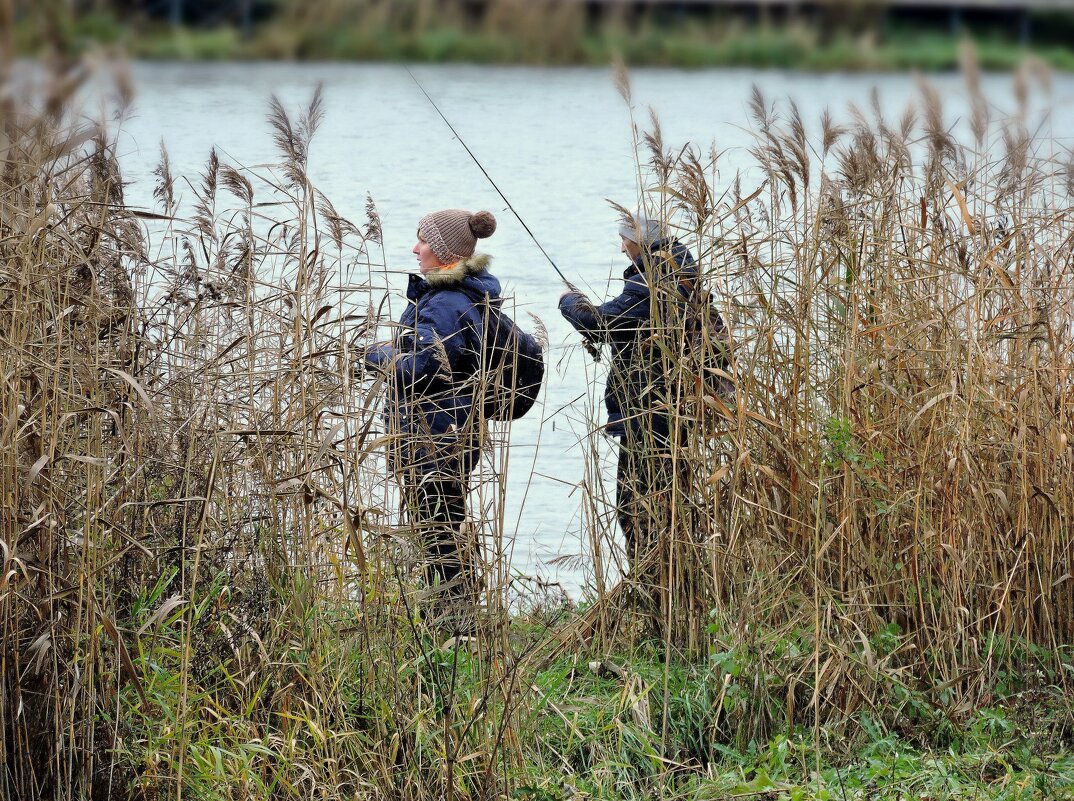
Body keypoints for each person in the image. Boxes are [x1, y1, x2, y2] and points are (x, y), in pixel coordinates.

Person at [365, 207, 508, 631]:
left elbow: (427, 367)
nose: (415, 248)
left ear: (445, 252)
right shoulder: (455, 295)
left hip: (436, 434)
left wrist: (375, 355)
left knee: (438, 529)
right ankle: (451, 616)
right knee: (442, 525)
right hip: (449, 430)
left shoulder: (445, 301)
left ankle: (451, 622)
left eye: (423, 240)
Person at [558, 209, 702, 583]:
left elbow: (601, 322)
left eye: (625, 239)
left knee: (636, 504)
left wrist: (570, 302)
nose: (622, 248)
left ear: (640, 242)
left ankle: (652, 584)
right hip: (677, 408)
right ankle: (671, 582)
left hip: (649, 412)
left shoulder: (653, 280)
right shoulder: (681, 272)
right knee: (669, 501)